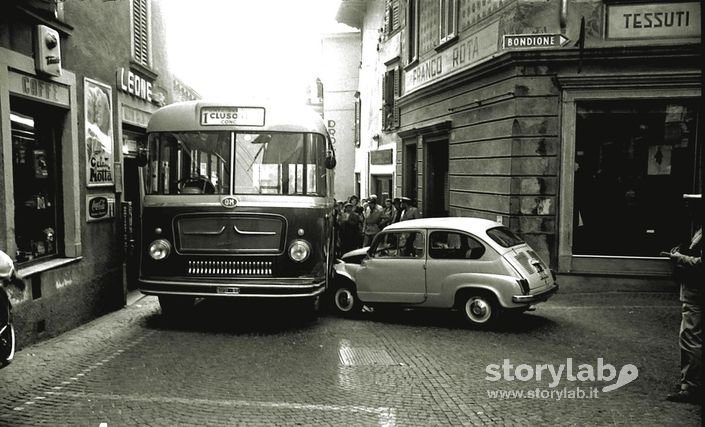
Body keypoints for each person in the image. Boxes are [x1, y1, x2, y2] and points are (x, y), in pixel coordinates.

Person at [666, 193, 702, 404]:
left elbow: (701, 263)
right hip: (694, 292)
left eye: (692, 206)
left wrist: (679, 258)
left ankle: (691, 386)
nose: (689, 210)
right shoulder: (698, 228)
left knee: (691, 338)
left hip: (696, 293)